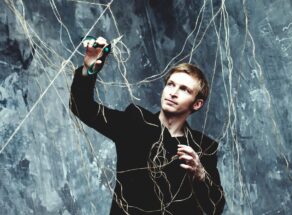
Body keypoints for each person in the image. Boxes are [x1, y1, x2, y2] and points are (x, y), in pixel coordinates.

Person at [70, 36, 225, 214]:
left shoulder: (203, 147)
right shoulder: (134, 123)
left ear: (197, 104)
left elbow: (216, 208)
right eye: (171, 84)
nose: (173, 92)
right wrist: (88, 70)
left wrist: (201, 175)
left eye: (184, 89)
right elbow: (82, 107)